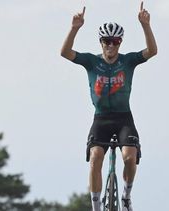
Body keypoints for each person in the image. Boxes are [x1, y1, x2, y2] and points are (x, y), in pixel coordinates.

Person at [60, 2, 157, 211]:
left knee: (129, 158)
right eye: (107, 41)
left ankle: (126, 196)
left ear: (120, 43)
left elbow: (152, 51)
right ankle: (96, 206)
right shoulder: (91, 62)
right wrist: (74, 28)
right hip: (101, 118)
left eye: (115, 41)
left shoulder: (128, 61)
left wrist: (145, 25)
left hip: (124, 119)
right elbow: (65, 52)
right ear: (101, 42)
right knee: (95, 158)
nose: (111, 46)